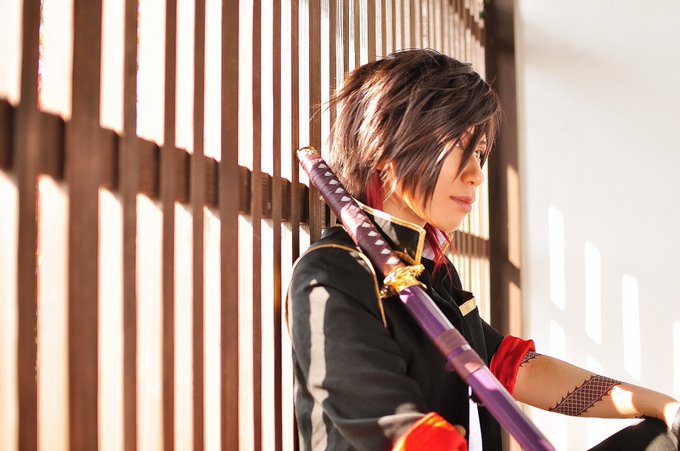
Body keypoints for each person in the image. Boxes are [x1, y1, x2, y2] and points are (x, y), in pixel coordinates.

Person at [287, 49, 680, 450]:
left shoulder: (430, 268)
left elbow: (515, 368)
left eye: (478, 152)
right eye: (459, 146)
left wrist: (662, 406)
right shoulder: (331, 274)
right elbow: (399, 430)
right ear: (386, 148)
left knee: (666, 439)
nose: (476, 174)